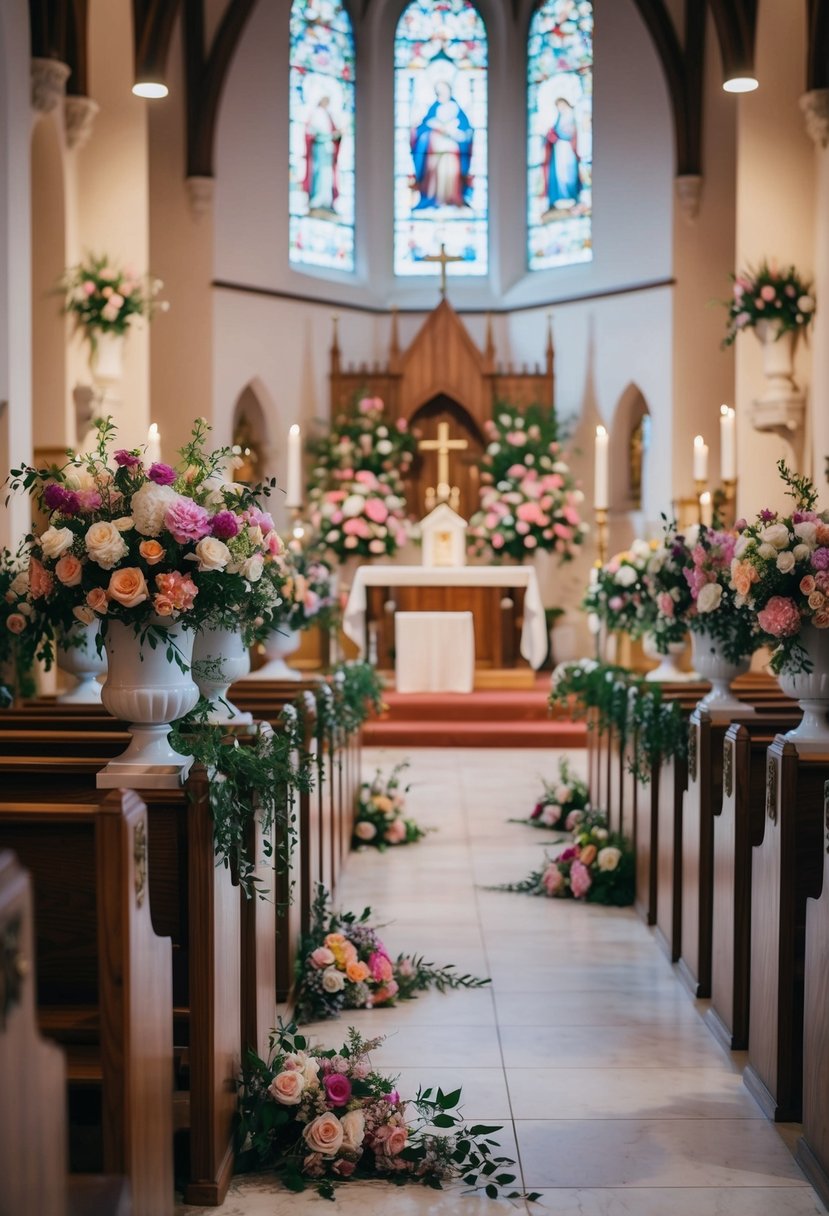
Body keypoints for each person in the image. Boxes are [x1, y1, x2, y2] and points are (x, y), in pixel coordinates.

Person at [410, 80, 474, 211]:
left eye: (443, 91)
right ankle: (433, 198)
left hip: (451, 147)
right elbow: (423, 127)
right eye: (438, 92)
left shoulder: (455, 107)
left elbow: (466, 130)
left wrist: (455, 133)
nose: (441, 94)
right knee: (434, 172)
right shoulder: (434, 108)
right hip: (435, 147)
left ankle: (452, 197)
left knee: (451, 171)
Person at [542, 97, 581, 214]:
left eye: (561, 105)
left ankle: (571, 197)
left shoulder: (572, 115)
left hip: (568, 148)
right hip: (559, 149)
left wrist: (560, 134)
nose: (560, 108)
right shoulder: (559, 117)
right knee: (560, 174)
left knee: (569, 173)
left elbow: (571, 132)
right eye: (558, 106)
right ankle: (561, 197)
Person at [304, 95, 342, 216]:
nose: (327, 103)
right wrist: (329, 136)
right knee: (318, 174)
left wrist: (337, 135)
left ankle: (326, 201)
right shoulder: (316, 113)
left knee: (327, 176)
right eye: (326, 100)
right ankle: (317, 200)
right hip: (319, 149)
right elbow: (312, 132)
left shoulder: (328, 115)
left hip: (327, 150)